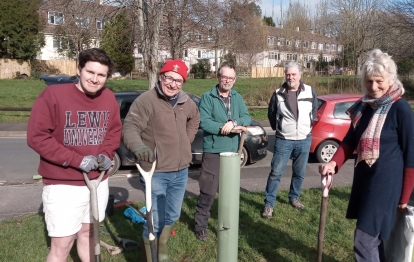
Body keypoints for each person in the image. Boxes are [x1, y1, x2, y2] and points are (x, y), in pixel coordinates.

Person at [318, 49, 414, 262]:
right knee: (376, 239)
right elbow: (349, 141)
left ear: (391, 79)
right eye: (369, 81)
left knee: (364, 239)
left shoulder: (401, 109)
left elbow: (412, 158)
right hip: (366, 180)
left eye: (379, 81)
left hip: (387, 185)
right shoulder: (366, 107)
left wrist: (404, 198)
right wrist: (333, 163)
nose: (373, 87)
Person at [27, 48, 122, 262]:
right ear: (79, 69)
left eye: (101, 75)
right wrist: (76, 160)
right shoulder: (53, 96)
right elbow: (37, 137)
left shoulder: (108, 98)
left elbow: (113, 132)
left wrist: (106, 154)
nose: (95, 79)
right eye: (90, 72)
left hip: (97, 182)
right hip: (63, 185)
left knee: (89, 235)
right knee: (62, 244)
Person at [122, 59, 200, 261]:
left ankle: (162, 245)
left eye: (178, 81)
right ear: (161, 76)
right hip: (155, 173)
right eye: (169, 78)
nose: (172, 84)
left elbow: (195, 119)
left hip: (181, 171)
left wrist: (186, 140)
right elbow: (130, 127)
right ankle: (151, 256)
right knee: (153, 221)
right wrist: (138, 147)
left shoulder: (186, 101)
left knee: (172, 216)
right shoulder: (147, 100)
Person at [193, 61, 251, 241]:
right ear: (218, 77)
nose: (227, 80)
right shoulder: (207, 97)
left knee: (230, 191)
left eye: (231, 78)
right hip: (213, 151)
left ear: (234, 80)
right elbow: (204, 122)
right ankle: (200, 226)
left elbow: (246, 117)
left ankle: (230, 221)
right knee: (208, 191)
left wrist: (232, 123)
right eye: (224, 77)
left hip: (233, 151)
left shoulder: (237, 97)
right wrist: (222, 127)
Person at [262, 61, 318, 219]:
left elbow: (314, 110)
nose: (290, 77)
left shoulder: (310, 91)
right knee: (275, 172)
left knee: (299, 172)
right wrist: (279, 127)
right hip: (284, 140)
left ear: (300, 75)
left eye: (293, 74)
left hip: (304, 140)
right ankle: (269, 204)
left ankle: (294, 197)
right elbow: (271, 114)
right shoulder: (278, 93)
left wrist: (307, 126)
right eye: (288, 74)